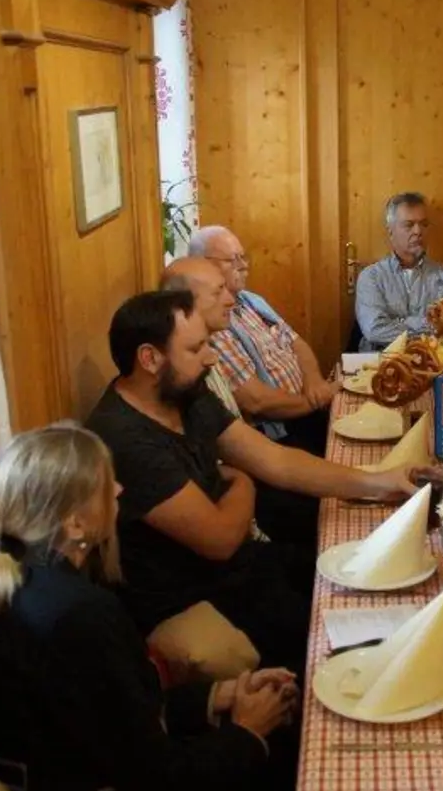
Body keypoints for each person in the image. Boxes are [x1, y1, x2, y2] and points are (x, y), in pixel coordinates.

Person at [0, 423, 300, 791]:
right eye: (106, 483)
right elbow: (154, 776)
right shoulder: (80, 615)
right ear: (75, 523)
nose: (119, 489)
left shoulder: (15, 581)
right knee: (279, 781)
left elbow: (113, 718)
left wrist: (217, 696)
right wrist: (245, 733)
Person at [85, 289, 414, 673]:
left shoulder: (184, 394)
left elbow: (278, 461)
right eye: (195, 349)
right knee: (357, 638)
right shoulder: (125, 438)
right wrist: (243, 481)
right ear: (149, 358)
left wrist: (381, 482)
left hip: (243, 568)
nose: (211, 356)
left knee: (374, 577)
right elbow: (220, 540)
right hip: (197, 596)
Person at [161, 256, 313, 545]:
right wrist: (242, 481)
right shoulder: (183, 379)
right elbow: (219, 539)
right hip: (238, 508)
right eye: (219, 292)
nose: (232, 300)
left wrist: (375, 482)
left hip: (247, 483)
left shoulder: (200, 364)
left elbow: (272, 459)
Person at [188, 225, 336, 456]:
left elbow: (297, 343)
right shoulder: (211, 325)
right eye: (232, 259)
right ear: (203, 264)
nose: (244, 265)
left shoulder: (250, 300)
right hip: (282, 433)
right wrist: (316, 401)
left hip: (309, 410)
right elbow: (256, 402)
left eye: (243, 256)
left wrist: (315, 381)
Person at [353, 191, 443, 351]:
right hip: (382, 363)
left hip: (436, 364)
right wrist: (433, 324)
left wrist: (399, 323)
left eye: (424, 224)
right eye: (409, 225)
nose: (418, 231)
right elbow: (375, 331)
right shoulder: (371, 277)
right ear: (390, 231)